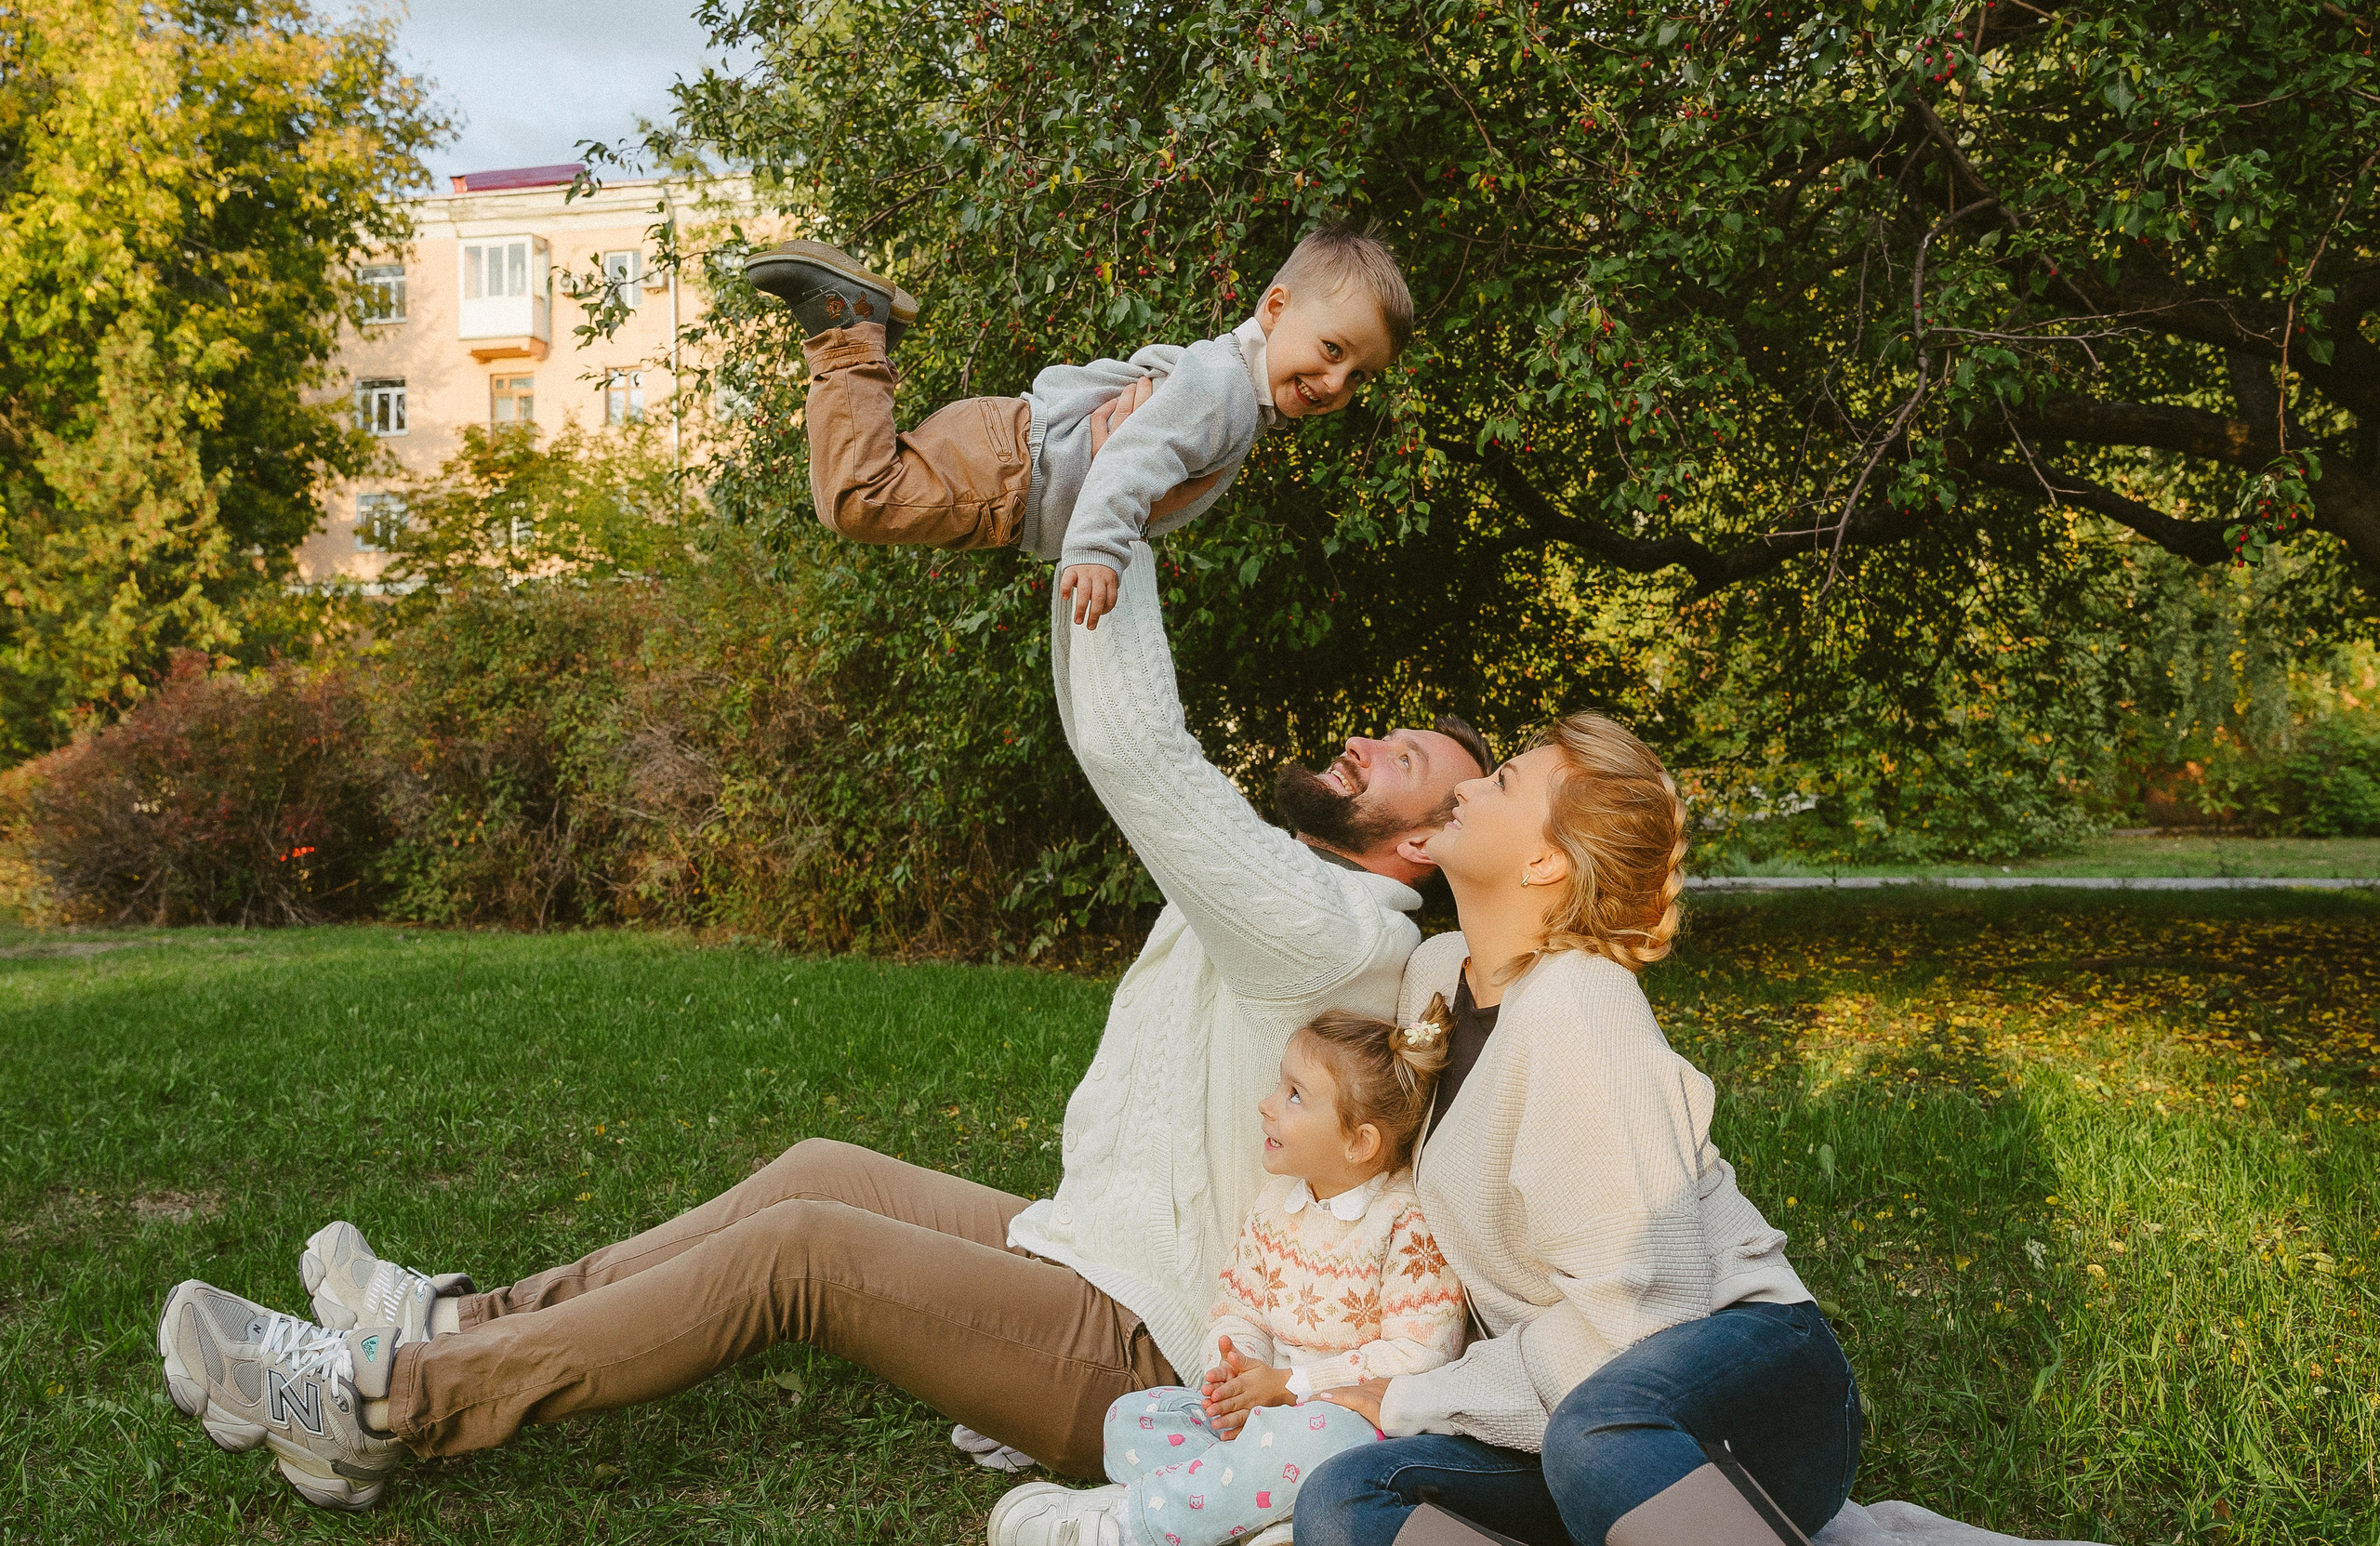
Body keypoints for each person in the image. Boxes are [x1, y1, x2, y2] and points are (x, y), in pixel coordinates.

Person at [152, 437, 1490, 1513]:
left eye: (1404, 760)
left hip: (1149, 1337)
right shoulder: (1291, 890)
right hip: (1093, 1242)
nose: (1364, 744)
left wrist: (1118, 500)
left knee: (805, 1251)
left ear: (1422, 843)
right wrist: (1072, 512)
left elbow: (1139, 757)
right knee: (818, 1169)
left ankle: (384, 1405)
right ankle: (452, 1319)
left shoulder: (1334, 933)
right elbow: (1127, 739)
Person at [1290, 714, 1860, 1546]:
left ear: (1545, 861)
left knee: (1596, 1435)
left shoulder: (1584, 1001)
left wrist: (1425, 1396)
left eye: (1502, 781)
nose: (1468, 785)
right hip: (1567, 1403)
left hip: (1746, 1378)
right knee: (1345, 1498)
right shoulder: (1435, 971)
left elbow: (1641, 1311)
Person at [745, 221, 1411, 630]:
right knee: (858, 499)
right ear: (1275, 308)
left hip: (1014, 449)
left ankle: (869, 332)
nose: (1336, 383)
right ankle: (847, 323)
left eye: (1359, 375)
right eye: (1332, 350)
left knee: (869, 482)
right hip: (1016, 471)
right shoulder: (1227, 392)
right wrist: (1095, 549)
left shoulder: (1225, 376)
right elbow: (1134, 455)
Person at [991, 1011, 1469, 1546]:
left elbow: (1421, 1354)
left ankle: (1130, 1525)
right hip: (1265, 1412)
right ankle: (1258, 1521)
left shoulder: (1404, 1221)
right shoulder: (1276, 1205)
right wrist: (1237, 1374)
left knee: (1313, 1440)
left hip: (1352, 1427)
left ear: (1359, 1142)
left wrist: (1290, 1387)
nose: (1267, 1104)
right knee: (1130, 1419)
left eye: (1294, 1095)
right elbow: (1240, 1309)